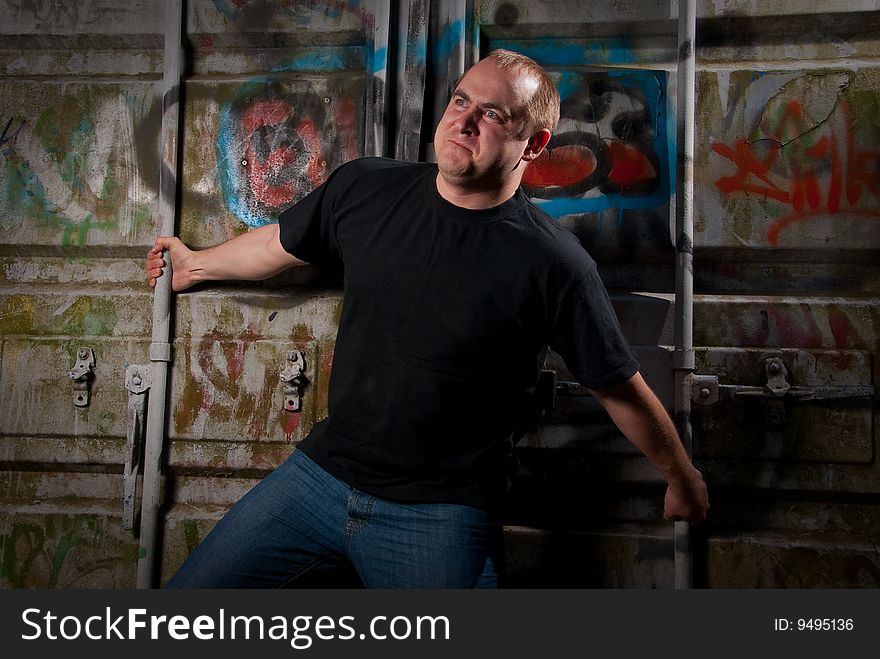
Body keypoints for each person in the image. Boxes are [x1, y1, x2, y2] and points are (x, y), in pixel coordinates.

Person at [146, 49, 709, 589]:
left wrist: (681, 475)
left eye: (492, 115)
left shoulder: (553, 264)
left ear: (533, 144)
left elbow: (619, 388)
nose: (464, 122)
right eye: (461, 101)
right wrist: (196, 267)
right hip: (319, 478)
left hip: (440, 515)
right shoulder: (366, 188)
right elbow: (281, 243)